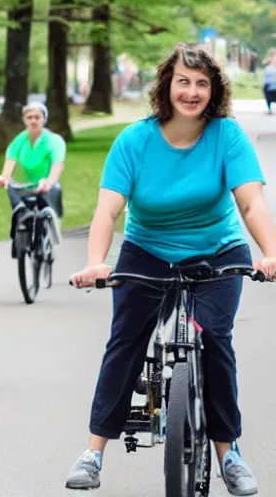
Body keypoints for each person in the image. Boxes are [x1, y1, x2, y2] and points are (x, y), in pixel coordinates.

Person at [66, 43, 276, 495]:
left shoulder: (227, 136)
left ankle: (229, 454)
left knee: (215, 338)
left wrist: (271, 251)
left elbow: (251, 201)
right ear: (167, 85)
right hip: (147, 251)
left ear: (214, 90)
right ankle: (93, 453)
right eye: (183, 81)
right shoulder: (135, 140)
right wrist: (96, 263)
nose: (192, 91)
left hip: (217, 251)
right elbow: (107, 212)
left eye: (202, 83)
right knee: (125, 339)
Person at [0, 102, 66, 255]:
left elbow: (57, 165)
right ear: (24, 120)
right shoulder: (20, 140)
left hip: (46, 184)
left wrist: (49, 182)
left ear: (44, 119)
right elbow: (10, 161)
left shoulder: (54, 140)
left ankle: (50, 235)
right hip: (27, 186)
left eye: (37, 117)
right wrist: (4, 177)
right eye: (29, 117)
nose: (33, 120)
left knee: (54, 192)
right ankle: (20, 216)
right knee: (11, 187)